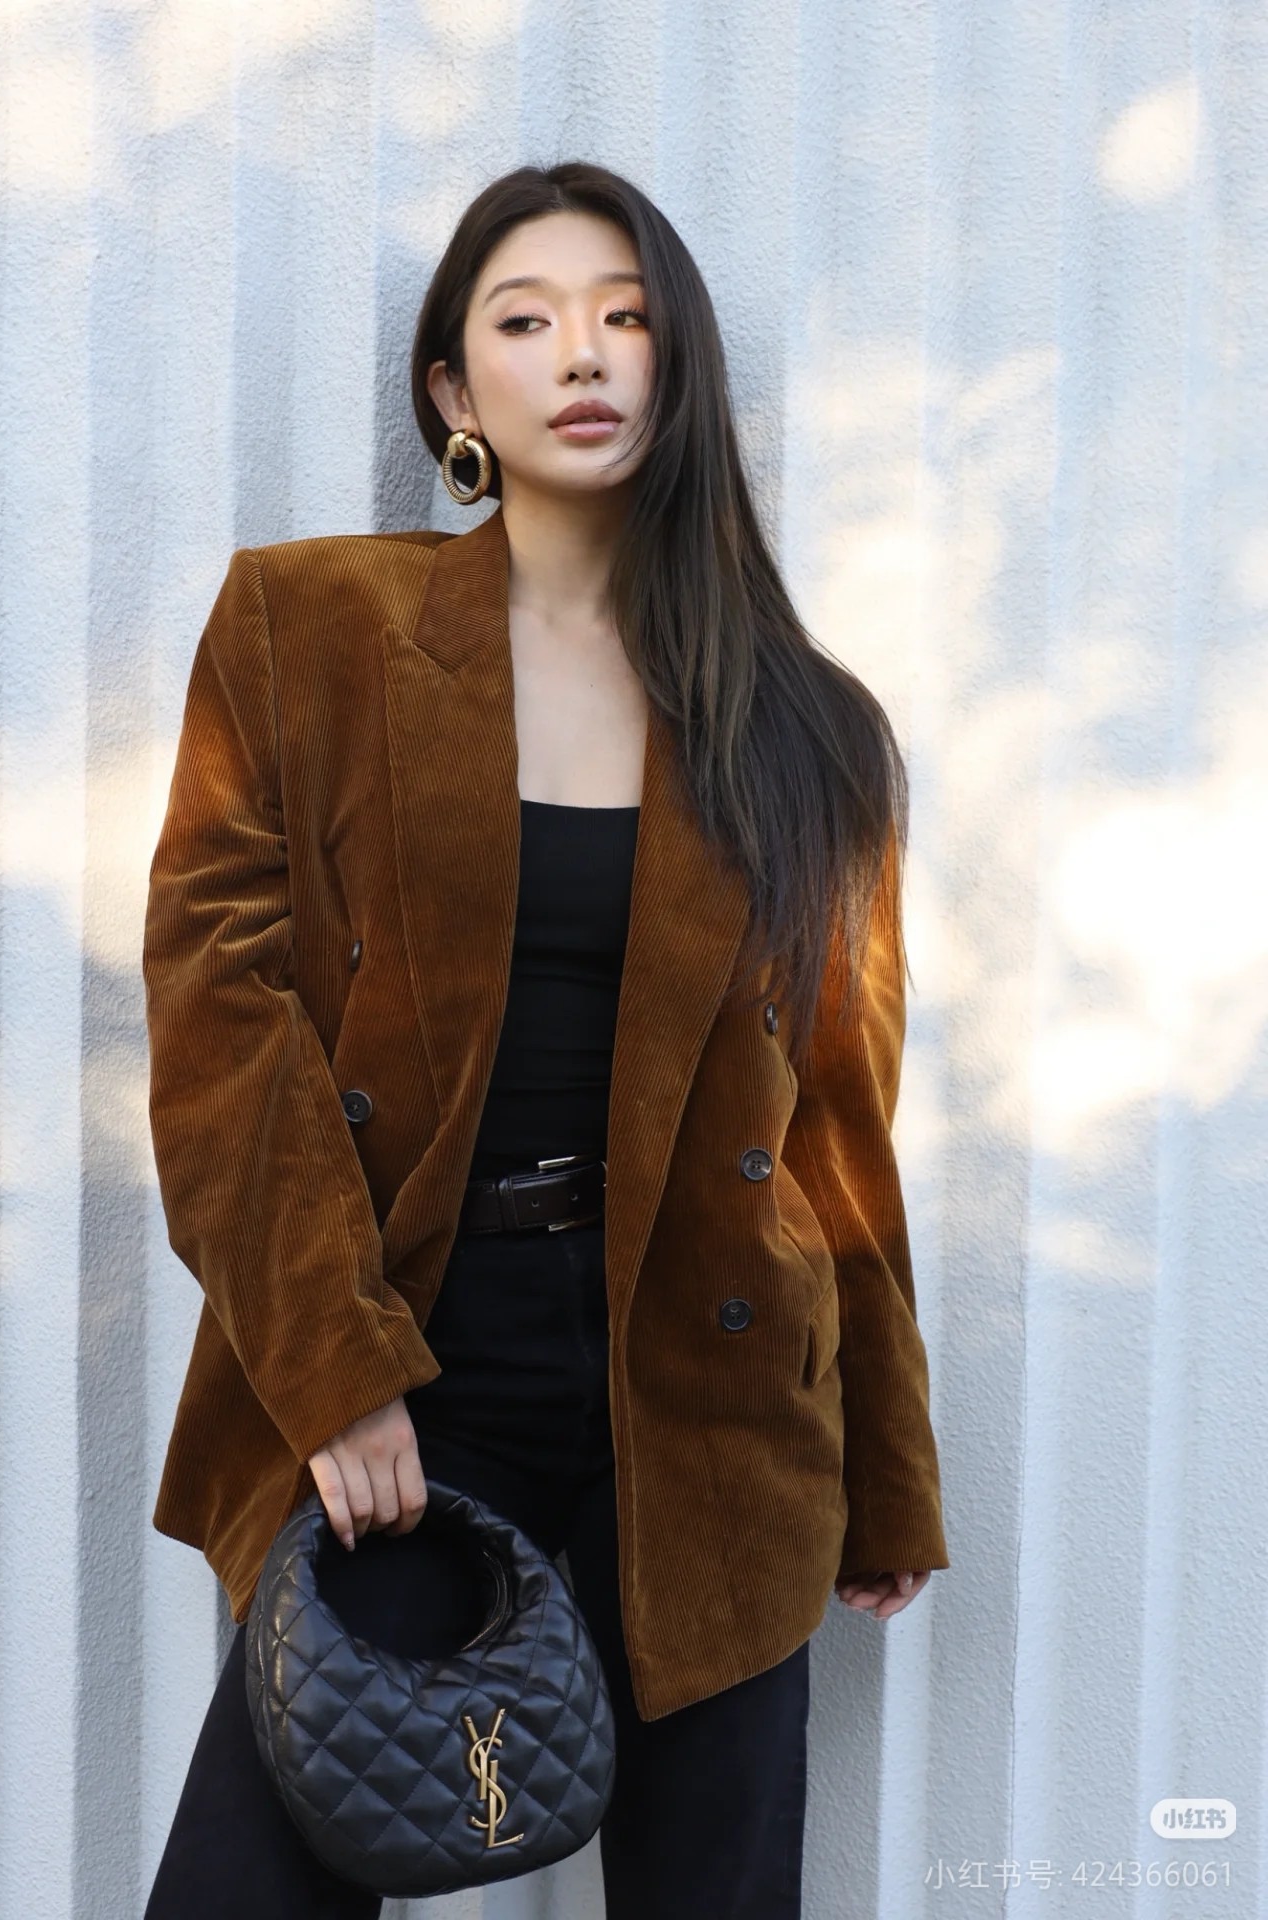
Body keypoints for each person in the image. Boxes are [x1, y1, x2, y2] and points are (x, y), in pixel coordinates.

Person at [141, 160, 949, 1919]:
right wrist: (336, 1368)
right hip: (417, 1346)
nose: (581, 353)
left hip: (714, 1380)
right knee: (248, 1884)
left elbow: (836, 1114)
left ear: (678, 364)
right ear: (456, 390)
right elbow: (219, 1021)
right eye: (525, 321)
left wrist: (887, 1467)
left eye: (624, 315)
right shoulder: (307, 628)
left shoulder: (809, 724)